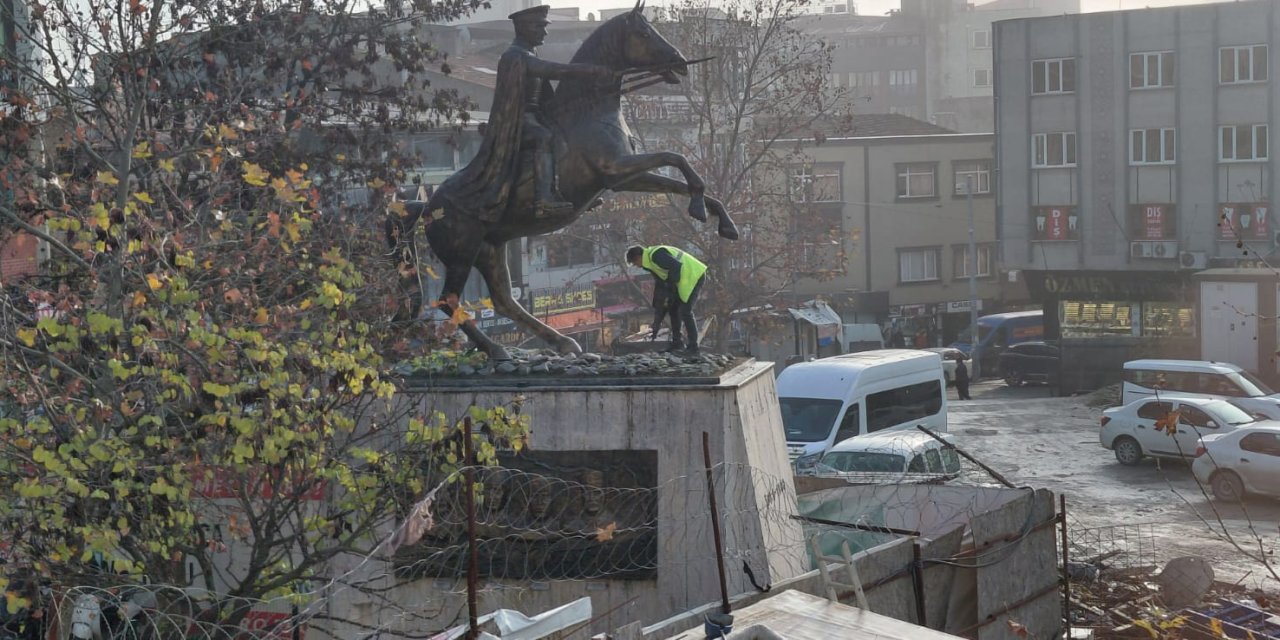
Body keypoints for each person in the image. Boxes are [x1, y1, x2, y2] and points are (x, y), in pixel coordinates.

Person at [441, 5, 616, 222]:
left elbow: (546, 93)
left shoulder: (530, 53)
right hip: (517, 120)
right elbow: (553, 70)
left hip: (535, 116)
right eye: (540, 26)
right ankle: (543, 199)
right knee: (544, 138)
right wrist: (590, 70)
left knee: (567, 134)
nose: (545, 32)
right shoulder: (514, 56)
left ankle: (566, 191)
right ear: (524, 28)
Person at [627, 245, 707, 355]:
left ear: (638, 257)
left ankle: (693, 347)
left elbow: (676, 266)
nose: (637, 266)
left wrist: (672, 289)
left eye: (635, 263)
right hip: (684, 279)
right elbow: (660, 287)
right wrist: (657, 319)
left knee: (685, 311)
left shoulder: (656, 255)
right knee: (673, 309)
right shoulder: (651, 263)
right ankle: (677, 344)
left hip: (694, 275)